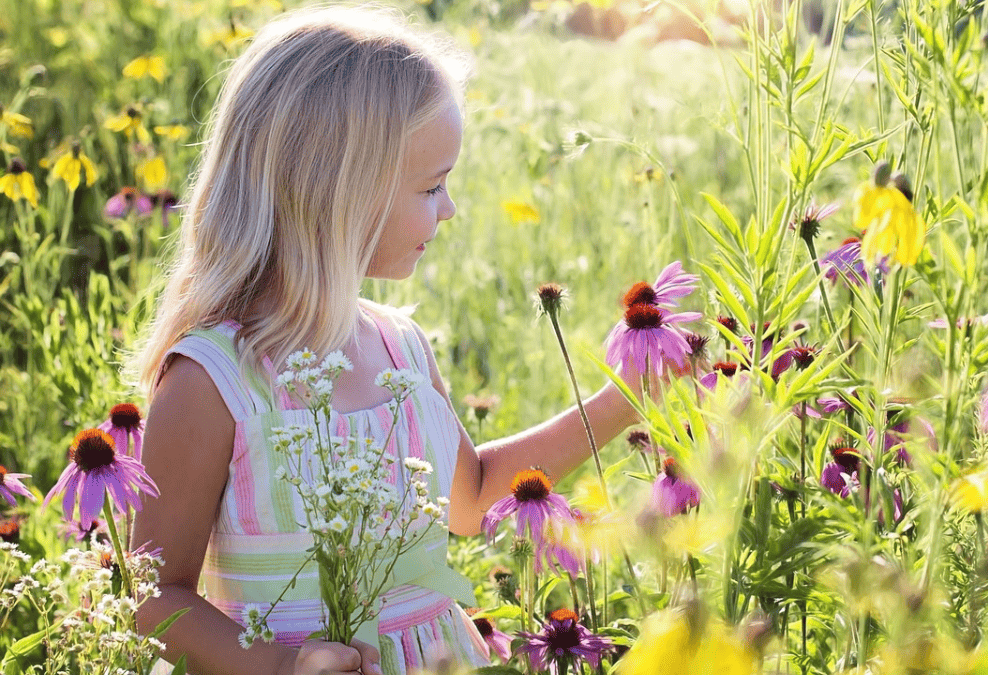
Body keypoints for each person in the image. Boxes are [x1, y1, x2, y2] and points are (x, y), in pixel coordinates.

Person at [129, 6, 647, 675]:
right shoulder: (213, 380)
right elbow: (153, 599)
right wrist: (286, 665)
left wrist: (623, 400)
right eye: (432, 186)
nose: (451, 208)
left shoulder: (402, 347)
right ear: (338, 192)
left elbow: (472, 496)